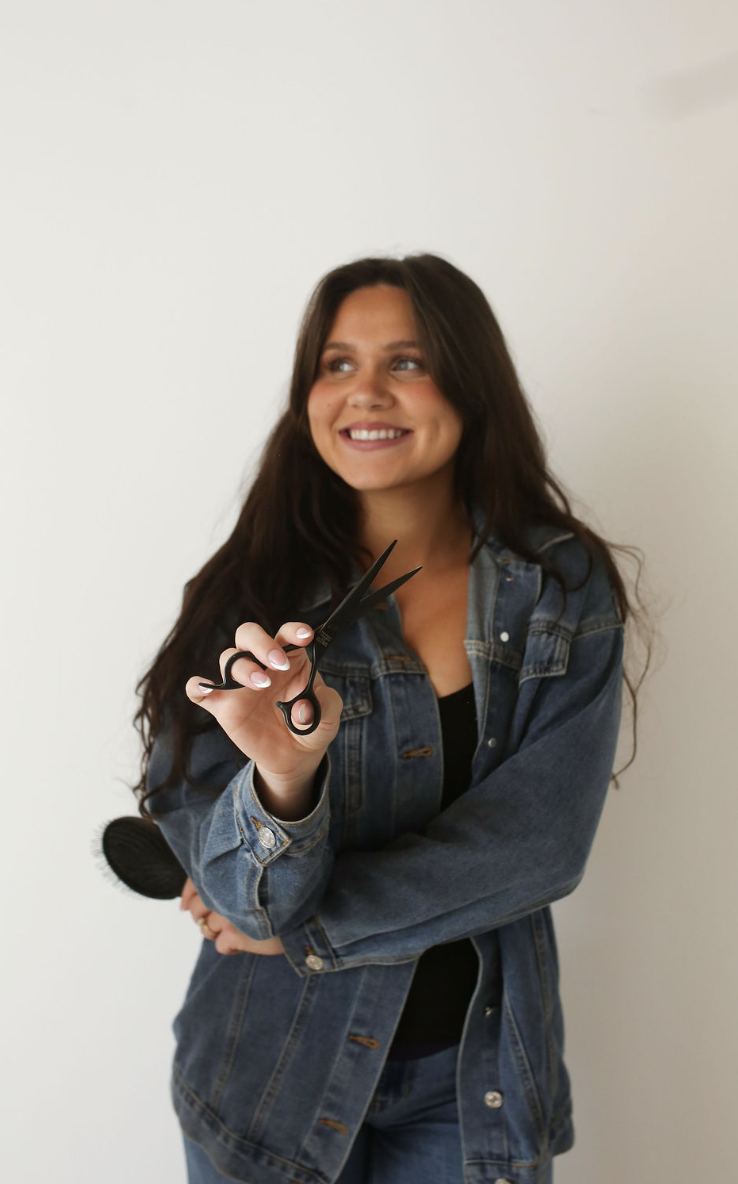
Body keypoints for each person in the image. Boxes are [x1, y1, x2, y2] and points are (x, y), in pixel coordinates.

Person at [135, 253, 650, 1184]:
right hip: (265, 1082)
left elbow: (538, 847)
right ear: (307, 396)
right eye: (337, 363)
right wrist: (284, 783)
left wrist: (308, 932)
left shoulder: (558, 589)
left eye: (405, 362)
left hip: (472, 1086)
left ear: (470, 381)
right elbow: (243, 892)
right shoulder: (247, 598)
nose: (365, 392)